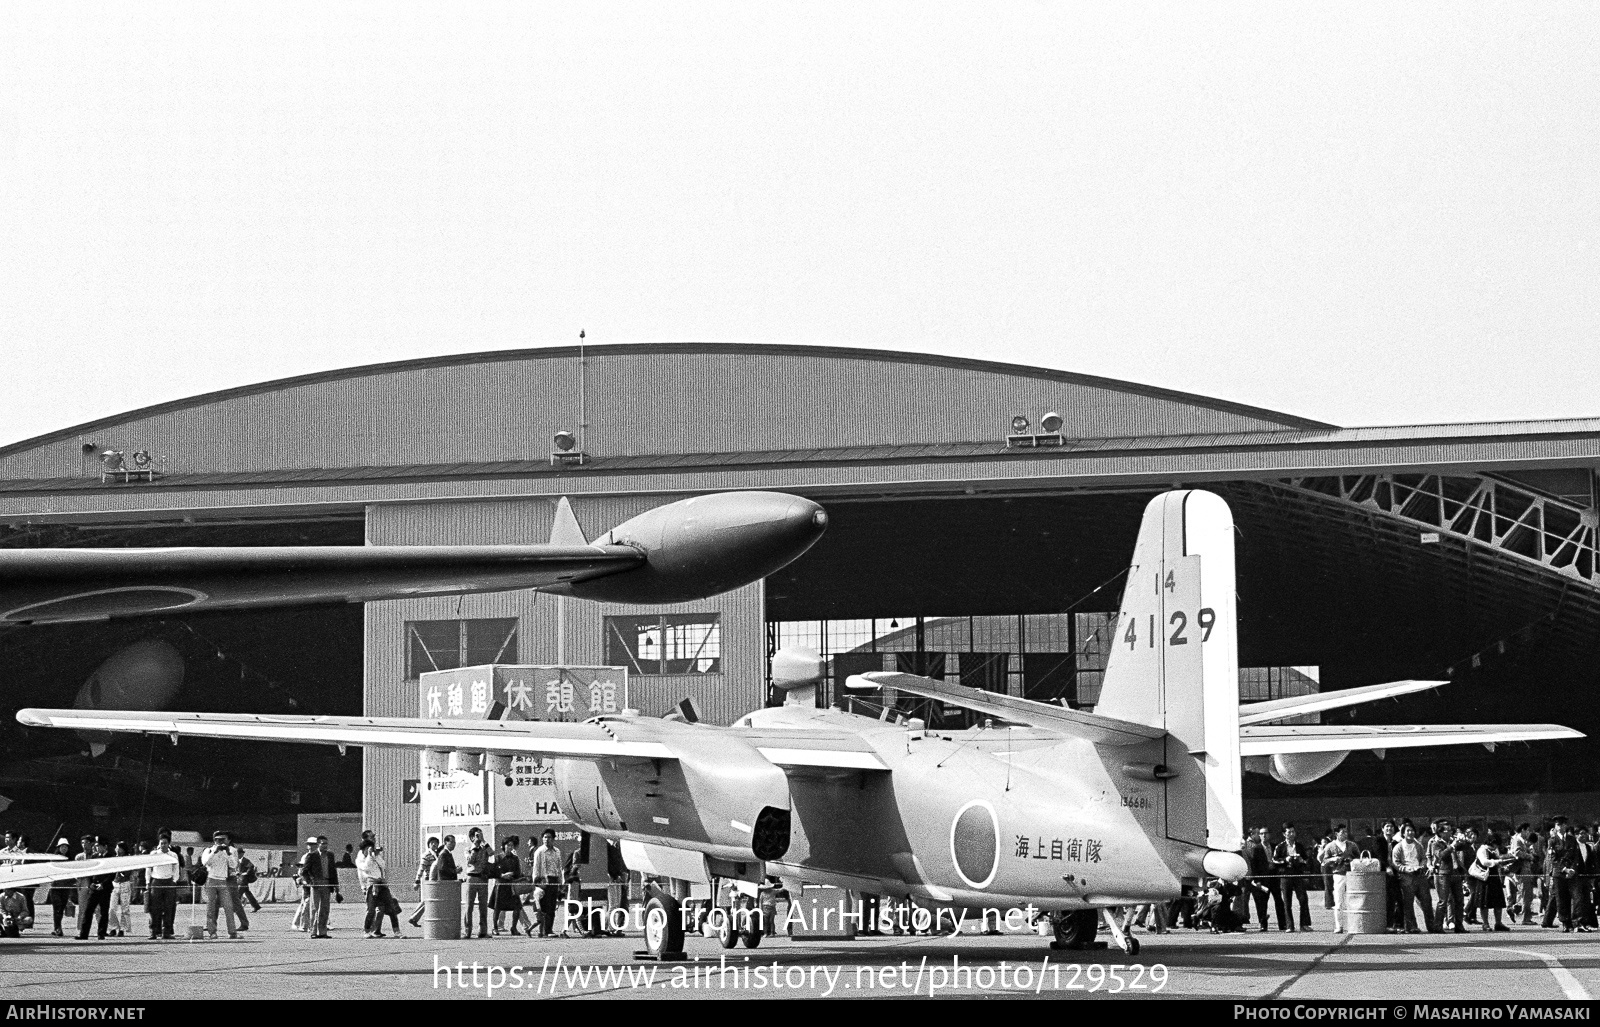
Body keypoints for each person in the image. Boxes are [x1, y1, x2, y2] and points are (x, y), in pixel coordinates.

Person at [1391, 823, 1434, 933]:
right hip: (1406, 877)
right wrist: (1407, 869)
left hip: (1420, 876)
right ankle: (1411, 927)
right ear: (1403, 833)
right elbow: (1396, 863)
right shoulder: (1398, 847)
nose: (1410, 833)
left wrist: (1422, 866)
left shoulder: (1418, 845)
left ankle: (1432, 926)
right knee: (1408, 904)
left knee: (1427, 901)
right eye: (1408, 831)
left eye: (1412, 830)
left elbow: (1424, 858)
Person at [356, 837, 401, 938]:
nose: (370, 850)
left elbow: (383, 865)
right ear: (363, 850)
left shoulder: (375, 856)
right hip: (371, 884)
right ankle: (367, 931)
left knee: (392, 908)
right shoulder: (360, 859)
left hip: (381, 883)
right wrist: (369, 856)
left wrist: (376, 855)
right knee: (371, 909)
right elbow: (366, 868)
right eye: (368, 849)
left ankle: (397, 931)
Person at [297, 835, 341, 938]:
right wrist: (311, 881)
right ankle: (313, 931)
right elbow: (304, 871)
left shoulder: (330, 855)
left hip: (327, 883)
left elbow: (333, 871)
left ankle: (323, 932)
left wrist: (336, 885)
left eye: (326, 844)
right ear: (318, 844)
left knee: (325, 908)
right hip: (316, 884)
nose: (325, 846)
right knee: (314, 908)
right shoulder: (311, 856)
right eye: (323, 844)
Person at [198, 831, 239, 939]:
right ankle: (212, 932)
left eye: (223, 840)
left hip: (222, 880)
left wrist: (228, 854)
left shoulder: (229, 851)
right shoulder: (208, 850)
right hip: (211, 880)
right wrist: (215, 852)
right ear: (214, 840)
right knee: (211, 907)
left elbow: (234, 865)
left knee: (228, 906)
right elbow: (205, 862)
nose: (220, 842)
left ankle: (232, 932)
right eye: (218, 840)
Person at [1273, 824, 1313, 931]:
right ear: (1284, 834)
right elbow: (1274, 860)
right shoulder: (1280, 847)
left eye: (1293, 832)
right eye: (1289, 832)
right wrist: (1285, 860)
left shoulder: (1299, 846)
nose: (1291, 834)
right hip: (1285, 876)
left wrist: (1301, 861)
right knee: (1287, 901)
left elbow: (1307, 860)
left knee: (1303, 899)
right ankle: (1289, 925)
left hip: (1297, 875)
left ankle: (1304, 924)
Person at [1319, 825, 1359, 933]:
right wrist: (1334, 859)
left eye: (1346, 832)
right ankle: (1339, 926)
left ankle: (1355, 924)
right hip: (1338, 874)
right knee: (1339, 900)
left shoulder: (1352, 845)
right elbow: (1324, 860)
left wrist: (1351, 860)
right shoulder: (1330, 846)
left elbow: (1359, 858)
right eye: (1342, 832)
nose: (1345, 834)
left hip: (1352, 875)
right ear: (1336, 834)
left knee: (1354, 900)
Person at [1472, 831, 1515, 932]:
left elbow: (1499, 859)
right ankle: (1485, 924)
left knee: (1498, 902)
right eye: (1495, 844)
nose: (1496, 846)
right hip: (1485, 878)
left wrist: (1506, 861)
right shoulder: (1482, 849)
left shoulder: (1495, 850)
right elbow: (1484, 862)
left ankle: (1498, 923)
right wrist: (1497, 861)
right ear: (1491, 842)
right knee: (1484, 903)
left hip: (1495, 878)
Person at [489, 836, 532, 936]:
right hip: (500, 886)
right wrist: (502, 875)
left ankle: (514, 928)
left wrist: (518, 877)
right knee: (497, 908)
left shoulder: (515, 858)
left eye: (512, 845)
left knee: (517, 907)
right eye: (508, 845)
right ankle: (495, 928)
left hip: (512, 886)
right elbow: (492, 872)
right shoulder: (498, 857)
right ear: (503, 846)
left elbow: (518, 873)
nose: (510, 847)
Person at [1242, 827, 1282, 931]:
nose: (1264, 835)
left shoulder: (1275, 846)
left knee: (1279, 901)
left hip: (1274, 878)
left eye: (1266, 833)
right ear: (1259, 835)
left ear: (1269, 834)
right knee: (1262, 903)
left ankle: (1283, 924)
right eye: (1261, 834)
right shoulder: (1257, 848)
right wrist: (1257, 880)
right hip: (1263, 879)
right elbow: (1254, 865)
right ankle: (1263, 924)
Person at [145, 832, 180, 939]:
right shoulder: (154, 854)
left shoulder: (173, 855)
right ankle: (154, 931)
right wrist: (147, 882)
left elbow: (176, 870)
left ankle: (167, 932)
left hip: (169, 882)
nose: (163, 845)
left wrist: (174, 880)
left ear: (168, 844)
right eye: (161, 843)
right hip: (156, 882)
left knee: (169, 908)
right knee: (154, 908)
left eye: (165, 843)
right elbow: (148, 869)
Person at [532, 829, 564, 938]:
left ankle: (549, 929)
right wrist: (537, 883)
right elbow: (536, 868)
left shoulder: (557, 851)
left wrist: (560, 883)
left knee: (552, 906)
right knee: (545, 906)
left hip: (554, 880)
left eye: (549, 837)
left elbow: (559, 868)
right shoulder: (539, 851)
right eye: (545, 837)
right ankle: (545, 931)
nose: (547, 839)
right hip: (544, 880)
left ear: (553, 839)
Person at [463, 827, 492, 938]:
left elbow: (491, 853)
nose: (478, 837)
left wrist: (484, 841)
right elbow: (470, 860)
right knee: (469, 906)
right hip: (472, 878)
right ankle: (467, 931)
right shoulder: (468, 849)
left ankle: (483, 931)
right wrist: (475, 846)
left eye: (480, 835)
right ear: (471, 837)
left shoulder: (485, 848)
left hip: (483, 878)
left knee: (483, 905)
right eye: (476, 835)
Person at [407, 836, 441, 929]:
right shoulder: (427, 855)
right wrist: (417, 881)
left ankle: (414, 918)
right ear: (428, 845)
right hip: (428, 879)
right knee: (428, 900)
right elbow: (421, 868)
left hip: (435, 879)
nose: (434, 844)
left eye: (436, 842)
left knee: (428, 900)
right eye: (432, 843)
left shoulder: (437, 854)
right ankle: (414, 917)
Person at [45, 839, 75, 936]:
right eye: (62, 846)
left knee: (61, 908)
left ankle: (58, 928)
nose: (64, 848)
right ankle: (58, 928)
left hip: (65, 887)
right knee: (57, 907)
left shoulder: (70, 859)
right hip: (55, 888)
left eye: (66, 847)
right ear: (58, 847)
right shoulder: (53, 858)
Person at [109, 840, 135, 937]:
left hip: (125, 883)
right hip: (115, 883)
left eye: (118, 848)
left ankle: (122, 929)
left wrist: (121, 870)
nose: (117, 850)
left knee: (125, 908)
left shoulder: (128, 859)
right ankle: (113, 927)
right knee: (112, 908)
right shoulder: (114, 858)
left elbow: (127, 873)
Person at [236, 845, 262, 916]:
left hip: (244, 880)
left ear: (241, 854)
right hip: (240, 879)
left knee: (238, 894)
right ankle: (256, 906)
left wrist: (246, 873)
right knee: (248, 893)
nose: (237, 855)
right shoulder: (237, 861)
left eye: (238, 853)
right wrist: (237, 872)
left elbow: (251, 867)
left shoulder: (245, 860)